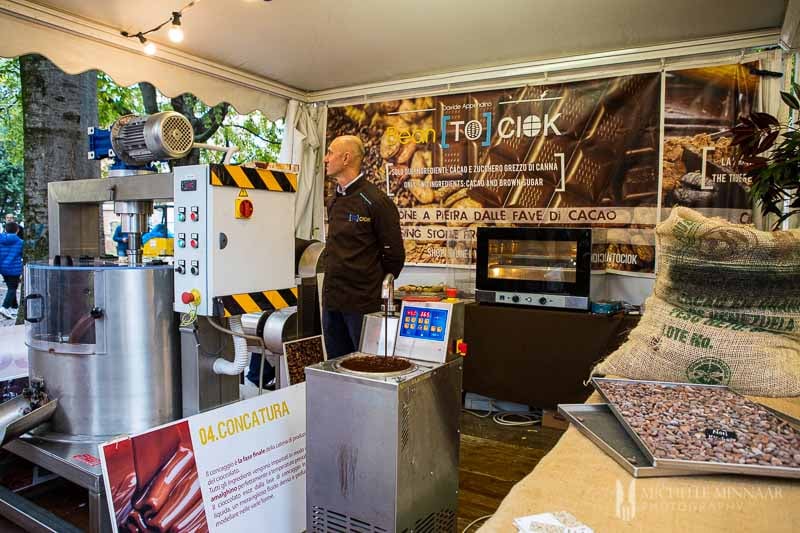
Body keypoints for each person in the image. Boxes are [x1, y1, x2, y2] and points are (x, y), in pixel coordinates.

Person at [322, 135, 405, 359]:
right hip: (332, 302)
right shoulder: (333, 200)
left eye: (330, 152)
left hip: (362, 306)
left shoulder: (376, 201)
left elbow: (395, 256)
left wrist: (369, 285)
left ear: (346, 158)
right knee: (336, 365)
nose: (325, 159)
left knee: (366, 366)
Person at [0, 222, 23, 319]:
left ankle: (14, 308)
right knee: (12, 288)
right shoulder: (20, 242)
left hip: (2, 268)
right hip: (14, 269)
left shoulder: (0, 239)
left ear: (5, 229)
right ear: (17, 230)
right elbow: (22, 255)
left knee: (10, 287)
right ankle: (4, 307)